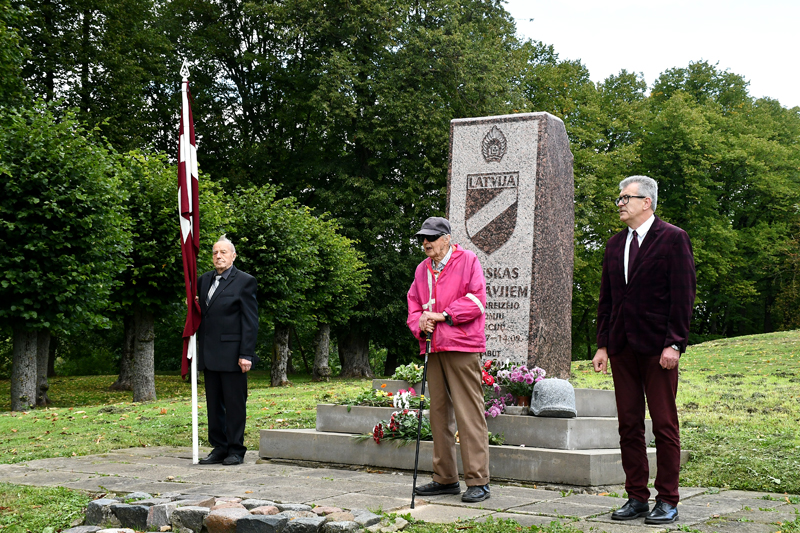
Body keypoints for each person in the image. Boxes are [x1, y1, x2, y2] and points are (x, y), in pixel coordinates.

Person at [593, 176, 696, 525]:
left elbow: (683, 296)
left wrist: (674, 343)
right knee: (628, 425)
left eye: (626, 198)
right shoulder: (613, 245)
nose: (620, 203)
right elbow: (607, 299)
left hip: (658, 348)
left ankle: (668, 499)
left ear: (646, 202)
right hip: (622, 347)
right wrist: (603, 345)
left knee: (664, 425)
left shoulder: (673, 239)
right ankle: (636, 496)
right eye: (619, 197)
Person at [406, 216, 491, 503]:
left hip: (462, 346)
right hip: (433, 347)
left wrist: (442, 316)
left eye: (431, 238)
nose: (426, 243)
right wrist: (420, 323)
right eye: (422, 239)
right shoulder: (422, 269)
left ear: (447, 238)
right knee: (439, 415)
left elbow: (478, 300)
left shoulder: (468, 260)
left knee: (469, 415)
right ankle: (445, 479)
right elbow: (414, 305)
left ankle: (478, 481)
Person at [196, 235, 259, 465]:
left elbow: (250, 321)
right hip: (210, 354)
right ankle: (219, 447)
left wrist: (246, 354)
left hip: (234, 356)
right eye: (215, 252)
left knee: (234, 404)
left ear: (233, 256)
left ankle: (235, 449)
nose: (218, 256)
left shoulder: (245, 281)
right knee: (214, 405)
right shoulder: (203, 281)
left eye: (223, 252)